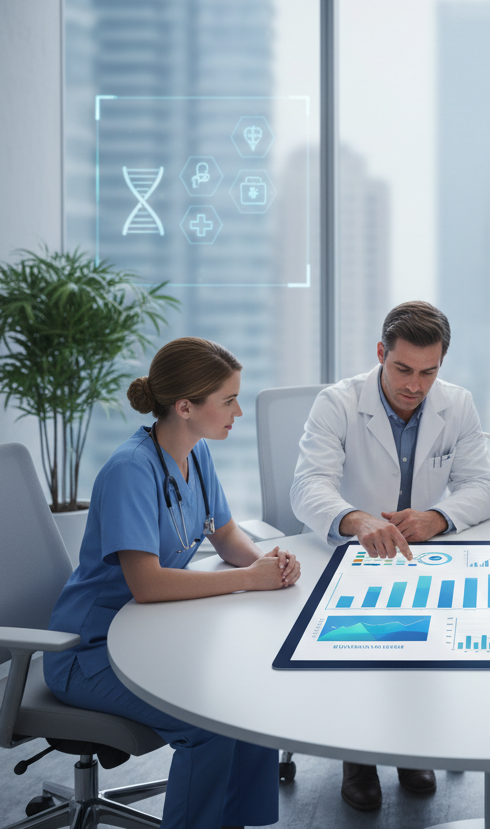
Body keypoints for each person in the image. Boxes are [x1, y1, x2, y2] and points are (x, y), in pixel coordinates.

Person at [44, 337, 301, 829]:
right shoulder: (129, 470)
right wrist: (249, 579)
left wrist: (269, 563)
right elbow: (147, 584)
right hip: (89, 650)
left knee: (248, 699)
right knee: (211, 723)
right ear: (185, 406)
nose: (239, 411)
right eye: (228, 400)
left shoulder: (196, 453)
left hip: (149, 632)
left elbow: (224, 534)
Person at [291, 300, 490, 812]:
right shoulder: (338, 402)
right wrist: (355, 519)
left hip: (420, 552)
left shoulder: (459, 403)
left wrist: (437, 516)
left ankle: (410, 745)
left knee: (426, 640)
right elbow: (307, 486)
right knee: (363, 641)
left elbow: (481, 486)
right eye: (403, 368)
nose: (415, 385)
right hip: (350, 552)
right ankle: (357, 757)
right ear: (381, 353)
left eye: (429, 372)